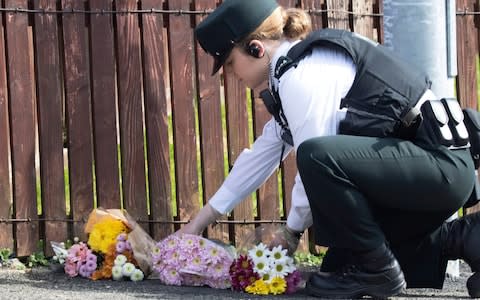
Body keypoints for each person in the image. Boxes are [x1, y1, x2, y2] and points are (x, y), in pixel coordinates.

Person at [178, 0, 480, 298]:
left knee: (317, 159)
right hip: (427, 170)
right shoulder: (292, 72)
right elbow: (258, 159)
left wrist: (291, 233)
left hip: (438, 168)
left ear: (256, 48)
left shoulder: (303, 76)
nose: (231, 75)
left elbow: (316, 160)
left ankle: (378, 271)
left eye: (230, 63)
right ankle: (468, 238)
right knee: (338, 267)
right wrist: (195, 226)